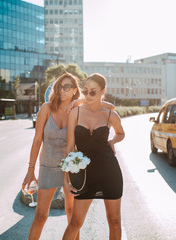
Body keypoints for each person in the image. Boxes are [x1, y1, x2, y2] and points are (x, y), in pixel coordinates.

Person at [22, 72, 114, 240]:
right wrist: (30, 170)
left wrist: (79, 101)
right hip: (47, 167)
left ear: (74, 90)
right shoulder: (46, 108)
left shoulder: (78, 110)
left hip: (71, 168)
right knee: (41, 215)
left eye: (67, 87)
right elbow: (37, 140)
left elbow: (109, 107)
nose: (62, 91)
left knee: (71, 213)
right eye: (59, 87)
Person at [62, 73, 125, 240]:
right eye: (86, 91)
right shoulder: (75, 112)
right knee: (75, 222)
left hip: (109, 172)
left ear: (103, 91)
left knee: (114, 221)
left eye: (93, 92)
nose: (88, 95)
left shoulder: (110, 114)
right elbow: (69, 147)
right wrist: (66, 178)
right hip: (84, 175)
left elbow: (121, 133)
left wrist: (112, 141)